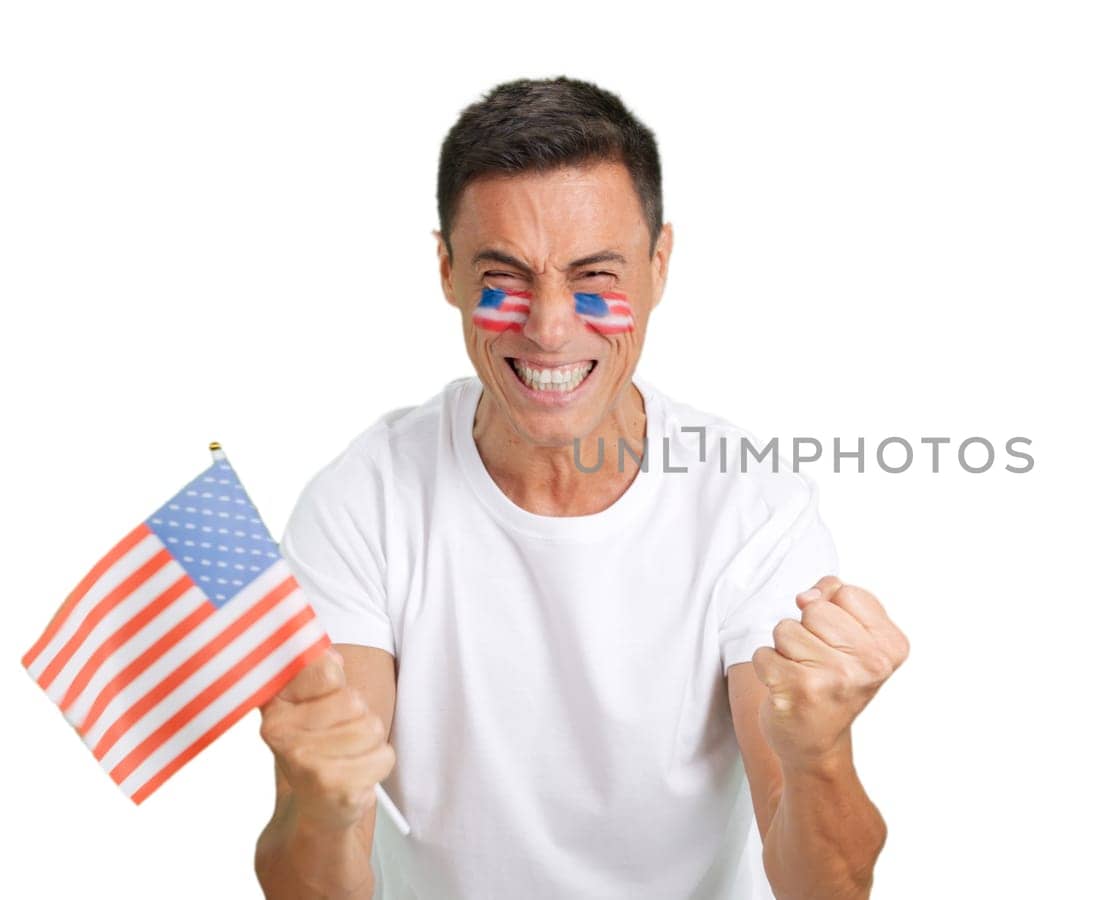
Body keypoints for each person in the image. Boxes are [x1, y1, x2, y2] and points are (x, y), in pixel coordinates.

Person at [251, 76, 910, 899]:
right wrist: (316, 806)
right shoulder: (363, 501)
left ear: (659, 264)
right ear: (448, 270)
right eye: (505, 276)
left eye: (595, 274)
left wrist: (819, 757)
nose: (551, 326)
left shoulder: (751, 508)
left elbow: (825, 888)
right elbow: (315, 882)